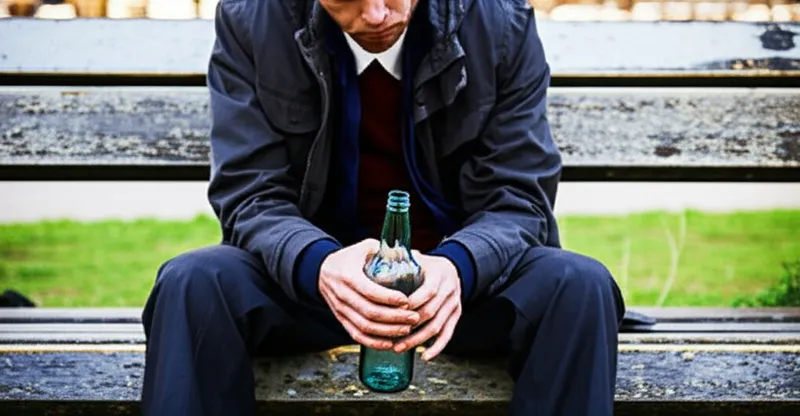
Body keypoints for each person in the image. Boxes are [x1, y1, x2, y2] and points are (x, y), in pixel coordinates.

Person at [140, 0, 626, 415]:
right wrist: (320, 264)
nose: (375, 15)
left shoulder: (500, 19)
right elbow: (250, 193)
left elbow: (519, 197)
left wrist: (457, 267)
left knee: (579, 285)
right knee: (191, 283)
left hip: (462, 294)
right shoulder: (252, 18)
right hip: (310, 288)